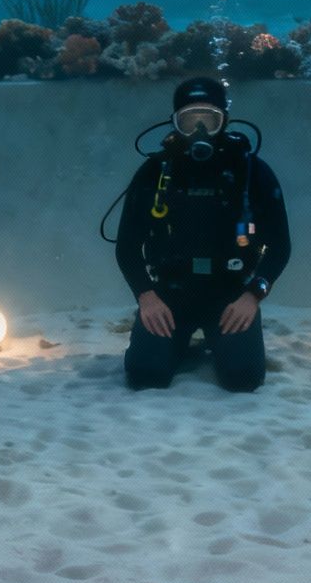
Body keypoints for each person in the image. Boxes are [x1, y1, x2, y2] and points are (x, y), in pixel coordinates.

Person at [115, 76, 291, 392]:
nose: (198, 130)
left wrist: (253, 296)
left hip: (231, 296)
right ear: (175, 122)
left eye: (208, 120)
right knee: (144, 376)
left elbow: (280, 246)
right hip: (169, 295)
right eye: (189, 120)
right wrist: (146, 296)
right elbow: (127, 246)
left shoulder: (252, 172)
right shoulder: (156, 172)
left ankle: (210, 342)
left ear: (224, 121)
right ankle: (178, 343)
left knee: (244, 379)